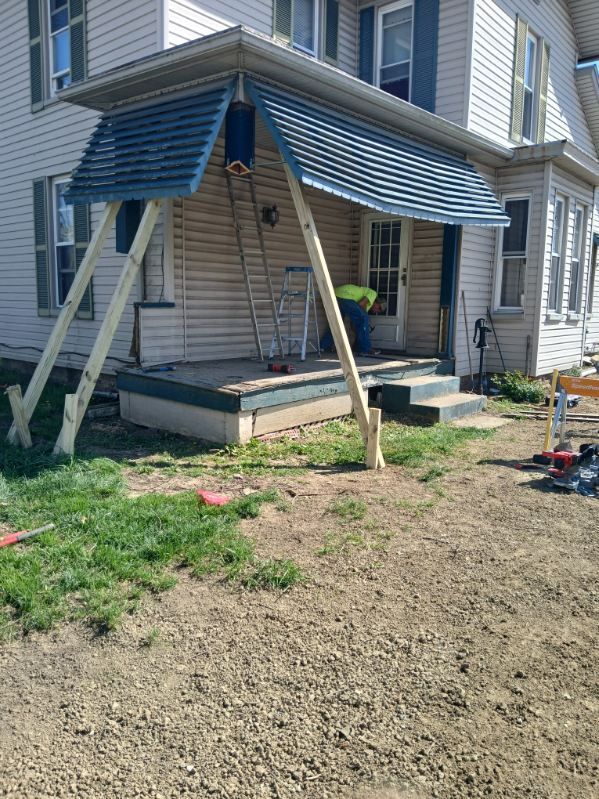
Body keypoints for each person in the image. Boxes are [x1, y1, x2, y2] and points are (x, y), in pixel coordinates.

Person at [320, 284, 386, 356]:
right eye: (379, 308)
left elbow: (353, 323)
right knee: (364, 318)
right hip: (345, 295)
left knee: (337, 323)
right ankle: (365, 349)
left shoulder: (366, 307)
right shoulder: (373, 294)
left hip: (335, 294)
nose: (377, 311)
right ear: (377, 302)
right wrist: (365, 325)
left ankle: (324, 346)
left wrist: (360, 330)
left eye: (379, 311)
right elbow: (361, 304)